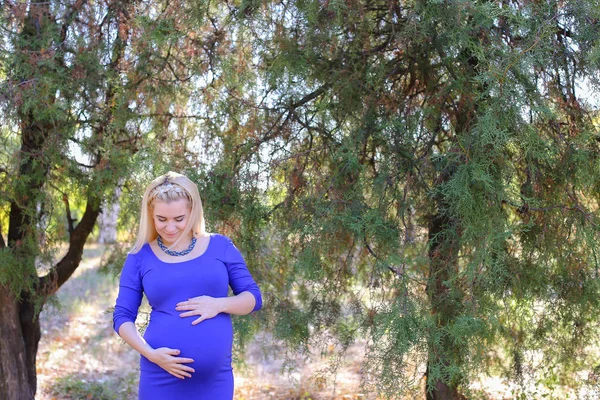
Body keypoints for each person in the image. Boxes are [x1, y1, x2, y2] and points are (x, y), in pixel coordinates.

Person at [113, 171, 262, 399]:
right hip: (160, 375)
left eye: (179, 219)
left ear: (192, 212)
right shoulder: (139, 257)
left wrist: (219, 305)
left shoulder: (220, 246)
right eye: (162, 219)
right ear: (151, 215)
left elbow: (253, 298)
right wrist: (151, 354)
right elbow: (122, 317)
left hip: (215, 381)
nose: (170, 227)